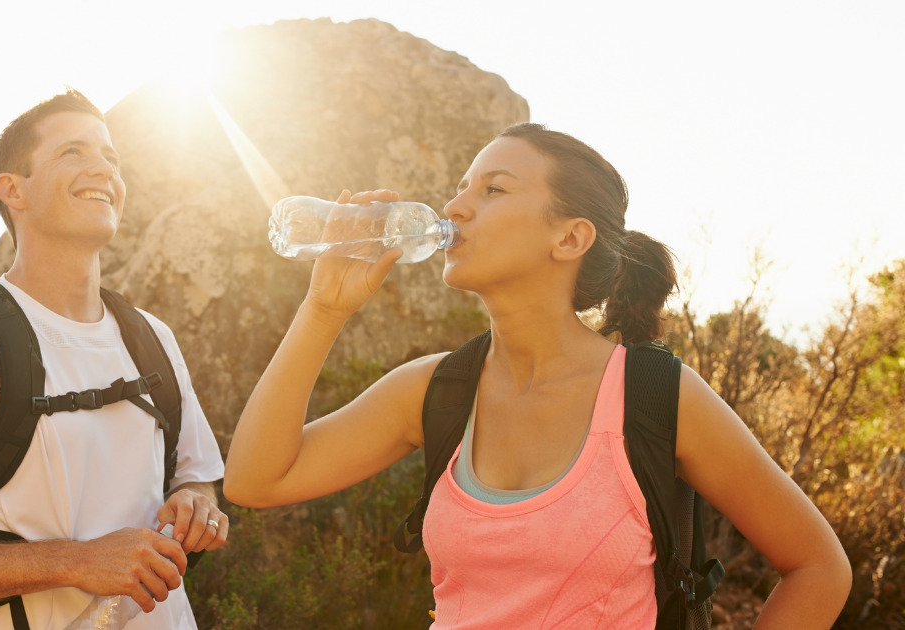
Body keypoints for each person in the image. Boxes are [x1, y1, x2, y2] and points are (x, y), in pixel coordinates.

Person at [224, 123, 851, 628]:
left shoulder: (655, 395)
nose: (454, 207)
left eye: (493, 189)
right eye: (462, 186)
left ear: (570, 238)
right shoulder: (436, 390)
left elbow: (819, 569)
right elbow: (256, 479)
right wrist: (324, 308)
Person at [0, 89, 228, 630]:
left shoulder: (152, 337)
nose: (102, 168)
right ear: (13, 190)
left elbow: (196, 480)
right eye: (73, 152)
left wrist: (198, 507)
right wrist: (76, 562)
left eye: (111, 157)